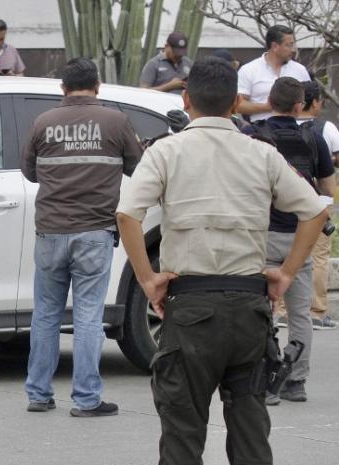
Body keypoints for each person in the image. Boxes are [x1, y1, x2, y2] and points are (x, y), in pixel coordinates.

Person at [117, 56, 327, 465]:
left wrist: (147, 279)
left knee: (182, 433)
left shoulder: (165, 152)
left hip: (190, 306)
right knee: (250, 432)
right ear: (236, 103)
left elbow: (127, 214)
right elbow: (315, 211)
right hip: (250, 309)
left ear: (186, 98)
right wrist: (284, 274)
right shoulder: (261, 153)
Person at [22, 58, 142, 417]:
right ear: (98, 85)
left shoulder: (43, 122)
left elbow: (29, 172)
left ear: (63, 88)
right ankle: (87, 399)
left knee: (45, 314)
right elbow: (138, 166)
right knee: (89, 316)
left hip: (51, 232)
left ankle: (38, 395)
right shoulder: (116, 122)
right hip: (94, 232)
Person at [241, 77, 334, 404]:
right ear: (300, 105)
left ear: (269, 100)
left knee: (262, 311)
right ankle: (295, 381)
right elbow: (328, 191)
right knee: (300, 313)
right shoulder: (314, 139)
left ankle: (266, 381)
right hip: (300, 238)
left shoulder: (251, 137)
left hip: (261, 235)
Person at [298, 80, 339, 330]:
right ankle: (315, 311)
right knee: (318, 255)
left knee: (283, 252)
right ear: (316, 102)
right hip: (319, 202)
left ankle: (282, 310)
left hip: (285, 202)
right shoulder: (326, 128)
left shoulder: (277, 127)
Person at [237, 25, 310, 122]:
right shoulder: (249, 70)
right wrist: (267, 107)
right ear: (275, 46)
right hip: (262, 133)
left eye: (293, 45)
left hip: (297, 132)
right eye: (289, 45)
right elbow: (238, 104)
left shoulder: (300, 70)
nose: (293, 50)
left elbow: (310, 102)